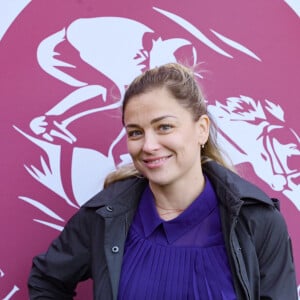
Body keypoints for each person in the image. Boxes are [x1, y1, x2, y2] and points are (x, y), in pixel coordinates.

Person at [28, 62, 298, 299]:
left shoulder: (257, 220)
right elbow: (47, 281)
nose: (149, 145)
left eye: (164, 127)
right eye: (135, 132)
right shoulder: (104, 216)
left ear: (201, 129)